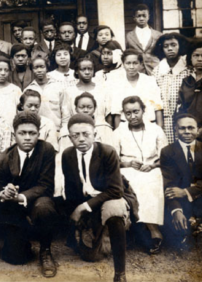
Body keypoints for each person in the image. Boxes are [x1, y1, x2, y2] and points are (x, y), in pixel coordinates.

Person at [61, 113, 135, 282]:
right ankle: (94, 235)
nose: (81, 139)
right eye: (75, 135)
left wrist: (83, 207)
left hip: (112, 196)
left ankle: (120, 273)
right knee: (91, 255)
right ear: (70, 138)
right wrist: (78, 217)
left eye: (86, 134)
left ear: (95, 135)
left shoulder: (107, 152)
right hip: (89, 202)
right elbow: (71, 189)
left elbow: (116, 190)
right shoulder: (67, 155)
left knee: (114, 212)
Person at [0, 112, 57, 277]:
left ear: (38, 134)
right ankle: (23, 238)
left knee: (44, 207)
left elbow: (46, 185)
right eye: (22, 133)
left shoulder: (46, 150)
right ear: (14, 135)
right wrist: (4, 193)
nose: (27, 138)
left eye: (32, 133)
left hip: (37, 200)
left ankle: (45, 250)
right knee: (15, 258)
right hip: (14, 209)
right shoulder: (3, 158)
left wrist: (21, 196)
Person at [113, 96, 168, 254]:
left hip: (152, 167)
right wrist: (127, 164)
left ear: (144, 110)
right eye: (128, 113)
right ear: (123, 114)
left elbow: (165, 156)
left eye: (136, 111)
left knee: (153, 180)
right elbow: (112, 159)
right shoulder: (118, 132)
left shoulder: (156, 129)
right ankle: (144, 230)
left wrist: (153, 165)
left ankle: (152, 228)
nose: (132, 116)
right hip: (127, 168)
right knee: (133, 181)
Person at [161, 113, 202, 247]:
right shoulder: (167, 152)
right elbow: (169, 185)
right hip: (180, 202)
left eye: (191, 128)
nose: (187, 131)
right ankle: (189, 221)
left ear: (197, 129)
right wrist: (176, 211)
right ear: (176, 130)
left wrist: (187, 191)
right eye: (182, 128)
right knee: (175, 239)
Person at [178, 39, 202, 149]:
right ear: (190, 58)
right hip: (190, 134)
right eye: (196, 55)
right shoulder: (187, 81)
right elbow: (182, 107)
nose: (200, 59)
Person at [151, 33, 190, 143]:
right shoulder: (157, 71)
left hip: (184, 116)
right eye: (166, 46)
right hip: (164, 119)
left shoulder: (188, 69)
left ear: (180, 46)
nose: (170, 49)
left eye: (173, 45)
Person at [110, 49, 163, 128]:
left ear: (140, 64)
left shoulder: (150, 81)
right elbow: (117, 113)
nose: (131, 67)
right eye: (128, 63)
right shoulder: (118, 84)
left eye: (135, 63)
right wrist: (118, 134)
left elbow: (158, 108)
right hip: (126, 127)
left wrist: (160, 130)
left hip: (149, 125)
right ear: (123, 64)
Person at [67, 57, 112, 141]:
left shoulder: (102, 89)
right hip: (78, 130)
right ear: (77, 71)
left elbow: (108, 115)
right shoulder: (69, 91)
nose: (87, 72)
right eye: (83, 69)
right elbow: (68, 115)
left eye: (90, 69)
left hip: (100, 129)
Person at [24, 57, 69, 139]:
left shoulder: (58, 87)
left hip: (56, 132)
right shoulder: (28, 90)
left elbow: (65, 111)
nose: (39, 70)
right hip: (37, 133)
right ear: (32, 70)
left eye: (42, 67)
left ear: (47, 68)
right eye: (36, 67)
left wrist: (63, 131)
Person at [125, 4, 162, 75]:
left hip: (155, 69)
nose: (141, 18)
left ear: (148, 17)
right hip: (137, 69)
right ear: (134, 18)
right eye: (139, 16)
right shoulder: (129, 36)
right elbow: (128, 53)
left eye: (144, 16)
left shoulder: (158, 35)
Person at [0, 56, 22, 127]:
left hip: (10, 128)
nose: (3, 73)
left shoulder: (15, 90)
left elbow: (20, 113)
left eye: (6, 70)